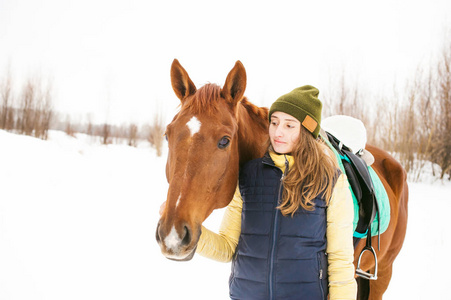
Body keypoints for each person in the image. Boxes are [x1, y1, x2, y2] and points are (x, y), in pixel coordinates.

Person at [162, 85, 357, 300]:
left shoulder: (329, 180)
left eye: (289, 125)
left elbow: (340, 260)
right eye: (274, 123)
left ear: (307, 131)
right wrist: (191, 232)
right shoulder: (248, 176)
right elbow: (228, 247)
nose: (278, 132)